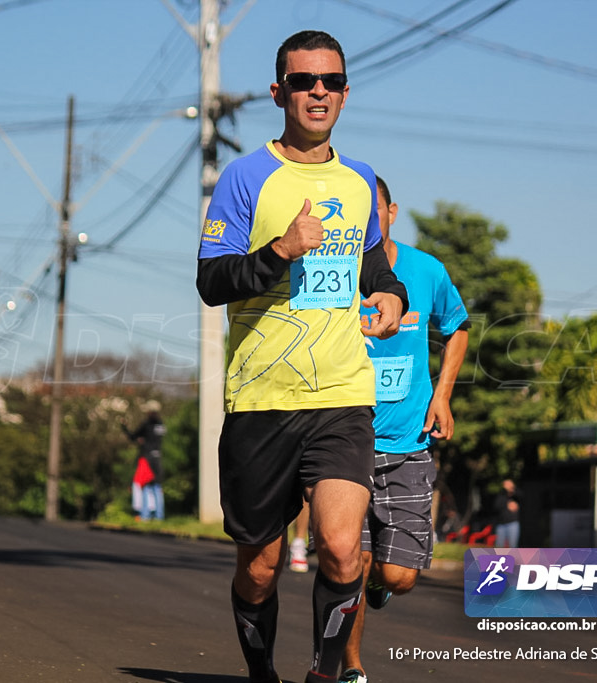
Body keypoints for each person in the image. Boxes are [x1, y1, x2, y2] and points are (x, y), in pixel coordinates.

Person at [196, 30, 407, 683]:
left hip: (340, 394)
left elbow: (376, 268)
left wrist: (392, 297)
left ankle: (321, 673)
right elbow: (211, 282)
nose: (319, 91)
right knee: (258, 566)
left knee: (344, 550)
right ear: (279, 92)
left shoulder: (359, 179)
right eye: (305, 81)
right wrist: (279, 252)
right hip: (262, 397)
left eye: (331, 81)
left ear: (345, 93)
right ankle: (263, 673)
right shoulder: (245, 176)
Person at [340, 176, 469, 683]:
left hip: (408, 444)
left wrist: (442, 396)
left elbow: (456, 327)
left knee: (398, 575)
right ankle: (350, 666)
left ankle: (380, 585)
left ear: (392, 211)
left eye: (375, 212)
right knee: (348, 561)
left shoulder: (426, 271)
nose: (368, 223)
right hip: (346, 443)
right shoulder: (336, 273)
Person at [121, 400, 166, 521]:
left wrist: (124, 427)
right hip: (157, 458)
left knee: (145, 486)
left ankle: (145, 515)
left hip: (147, 458)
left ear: (150, 412)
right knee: (157, 486)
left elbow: (133, 436)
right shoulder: (161, 425)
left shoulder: (146, 424)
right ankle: (159, 516)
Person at [493, 479, 522, 549]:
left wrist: (512, 488)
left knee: (513, 546)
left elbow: (521, 496)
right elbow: (496, 506)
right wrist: (507, 504)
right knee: (499, 547)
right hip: (501, 525)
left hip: (513, 524)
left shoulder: (516, 495)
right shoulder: (501, 495)